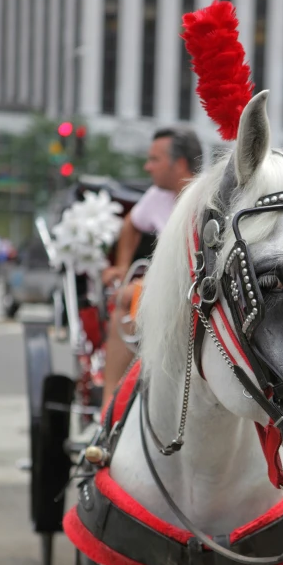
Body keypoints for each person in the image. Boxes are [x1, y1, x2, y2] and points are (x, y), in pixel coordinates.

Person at [102, 126, 203, 405]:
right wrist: (122, 267)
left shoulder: (207, 198)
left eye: (154, 159)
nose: (147, 167)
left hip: (200, 292)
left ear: (179, 163)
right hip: (164, 289)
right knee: (129, 294)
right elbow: (131, 224)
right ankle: (110, 404)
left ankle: (111, 402)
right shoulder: (158, 196)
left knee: (126, 298)